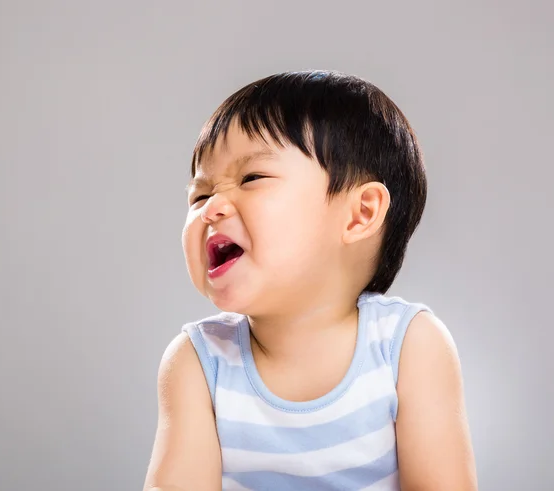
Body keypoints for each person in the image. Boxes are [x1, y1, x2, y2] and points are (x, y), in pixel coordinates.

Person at [143, 70, 477, 491]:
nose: (211, 209)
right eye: (200, 195)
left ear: (361, 214)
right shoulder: (198, 363)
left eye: (251, 179)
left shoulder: (407, 346)